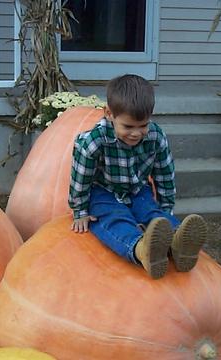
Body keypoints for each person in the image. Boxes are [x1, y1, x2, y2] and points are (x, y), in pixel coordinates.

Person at [68, 74, 208, 279]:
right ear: (109, 114)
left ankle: (178, 240)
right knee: (114, 218)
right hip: (103, 192)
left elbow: (164, 174)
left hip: (137, 189)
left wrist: (165, 207)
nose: (136, 133)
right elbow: (81, 178)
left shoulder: (156, 137)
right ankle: (141, 249)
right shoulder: (94, 142)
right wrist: (79, 210)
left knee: (151, 212)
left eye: (142, 126)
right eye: (128, 127)